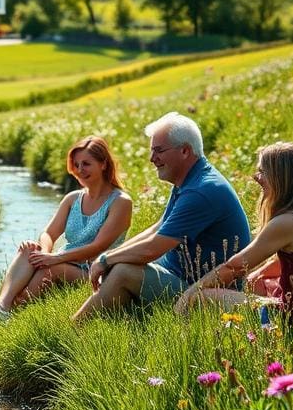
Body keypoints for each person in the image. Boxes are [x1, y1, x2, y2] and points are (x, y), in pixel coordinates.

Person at [72, 112, 250, 323]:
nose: (152, 159)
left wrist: (105, 259)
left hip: (201, 288)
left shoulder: (201, 190)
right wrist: (113, 255)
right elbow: (159, 227)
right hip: (178, 274)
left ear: (184, 150)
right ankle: (105, 329)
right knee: (118, 267)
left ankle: (75, 329)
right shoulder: (190, 180)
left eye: (159, 151)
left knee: (122, 272)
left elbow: (152, 248)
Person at [175, 142, 293, 329]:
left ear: (280, 178)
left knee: (202, 296)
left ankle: (260, 329)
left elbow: (234, 267)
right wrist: (258, 274)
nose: (256, 177)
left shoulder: (288, 222)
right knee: (258, 282)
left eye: (262, 172)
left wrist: (189, 293)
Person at [0, 136, 132, 326]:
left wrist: (56, 258)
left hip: (96, 270)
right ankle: (0, 309)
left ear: (103, 164)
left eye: (86, 164)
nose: (79, 170)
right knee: (30, 249)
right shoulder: (72, 199)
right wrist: (43, 252)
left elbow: (98, 246)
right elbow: (48, 233)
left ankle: (10, 314)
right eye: (76, 164)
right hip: (65, 261)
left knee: (51, 268)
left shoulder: (120, 201)